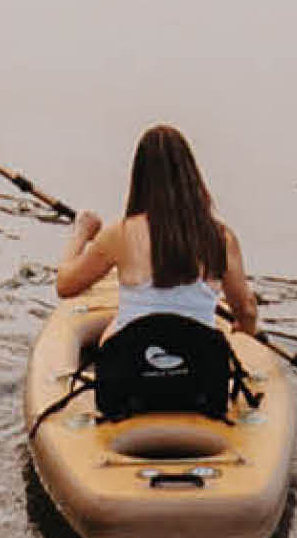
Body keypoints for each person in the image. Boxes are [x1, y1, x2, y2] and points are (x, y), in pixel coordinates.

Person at [55, 124, 257, 419]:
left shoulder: (119, 235)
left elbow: (65, 285)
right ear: (192, 176)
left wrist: (81, 234)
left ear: (139, 178)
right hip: (201, 386)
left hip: (129, 387)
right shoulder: (220, 237)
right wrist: (245, 330)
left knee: (113, 330)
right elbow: (247, 309)